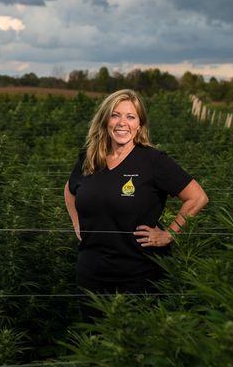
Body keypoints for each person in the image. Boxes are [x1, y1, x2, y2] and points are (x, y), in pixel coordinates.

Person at [64, 89, 209, 323]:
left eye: (131, 117)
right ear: (105, 120)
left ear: (139, 125)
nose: (123, 123)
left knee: (135, 345)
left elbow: (197, 197)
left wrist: (169, 233)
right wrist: (77, 223)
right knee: (96, 343)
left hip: (139, 274)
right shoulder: (90, 157)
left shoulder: (153, 161)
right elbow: (70, 191)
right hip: (92, 273)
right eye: (115, 115)